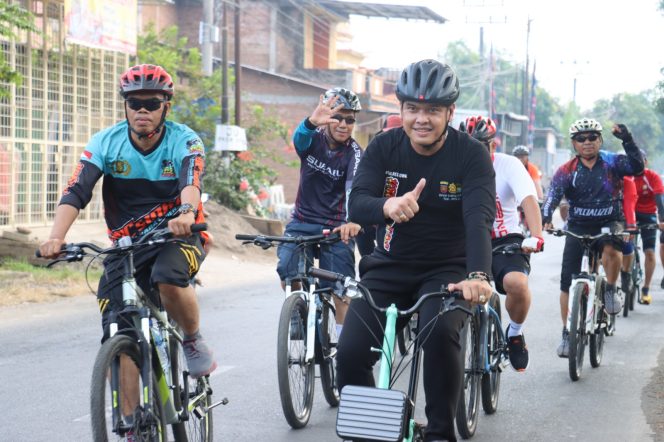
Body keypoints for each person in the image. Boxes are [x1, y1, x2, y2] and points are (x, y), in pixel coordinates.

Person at [38, 64, 217, 418]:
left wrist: (185, 213)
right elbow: (77, 190)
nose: (142, 111)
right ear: (125, 105)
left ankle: (193, 340)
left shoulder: (185, 139)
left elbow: (190, 181)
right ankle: (133, 425)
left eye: (151, 103)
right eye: (134, 104)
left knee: (168, 276)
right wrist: (56, 237)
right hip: (126, 246)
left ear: (166, 105)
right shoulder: (106, 142)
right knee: (120, 334)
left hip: (177, 236)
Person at [338, 59, 495, 442]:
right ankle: (370, 431)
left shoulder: (470, 155)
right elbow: (358, 202)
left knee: (440, 332)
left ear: (450, 112)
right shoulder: (384, 146)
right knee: (350, 352)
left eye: (432, 111)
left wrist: (478, 275)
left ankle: (440, 433)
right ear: (401, 109)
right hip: (388, 267)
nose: (421, 119)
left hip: (448, 271)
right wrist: (386, 207)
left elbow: (478, 218)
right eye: (413, 109)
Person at [541, 118, 644, 358]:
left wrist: (627, 139)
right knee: (567, 282)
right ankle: (567, 332)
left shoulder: (613, 162)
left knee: (611, 250)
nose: (587, 143)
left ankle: (609, 288)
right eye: (581, 139)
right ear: (574, 144)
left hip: (609, 222)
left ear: (599, 140)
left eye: (592, 138)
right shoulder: (566, 170)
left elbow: (637, 167)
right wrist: (546, 218)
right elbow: (552, 197)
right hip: (577, 225)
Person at [277, 87, 363, 339]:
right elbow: (298, 140)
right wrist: (311, 122)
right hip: (301, 222)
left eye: (350, 120)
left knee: (341, 291)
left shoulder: (355, 154)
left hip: (336, 228)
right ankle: (297, 311)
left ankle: (342, 346)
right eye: (337, 117)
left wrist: (351, 221)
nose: (344, 124)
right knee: (288, 268)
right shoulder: (312, 139)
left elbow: (353, 191)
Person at [460, 115, 544, 372]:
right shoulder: (453, 165)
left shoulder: (509, 165)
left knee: (517, 284)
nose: (474, 151)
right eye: (468, 144)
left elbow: (528, 199)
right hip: (466, 239)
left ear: (493, 145)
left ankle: (514, 334)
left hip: (504, 239)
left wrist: (536, 235)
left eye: (481, 145)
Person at [629, 150, 664, 302]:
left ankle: (646, 288)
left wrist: (662, 220)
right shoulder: (625, 176)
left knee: (650, 252)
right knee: (621, 248)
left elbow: (659, 200)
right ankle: (624, 276)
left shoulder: (652, 177)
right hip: (629, 215)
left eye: (640, 160)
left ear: (645, 162)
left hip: (648, 215)